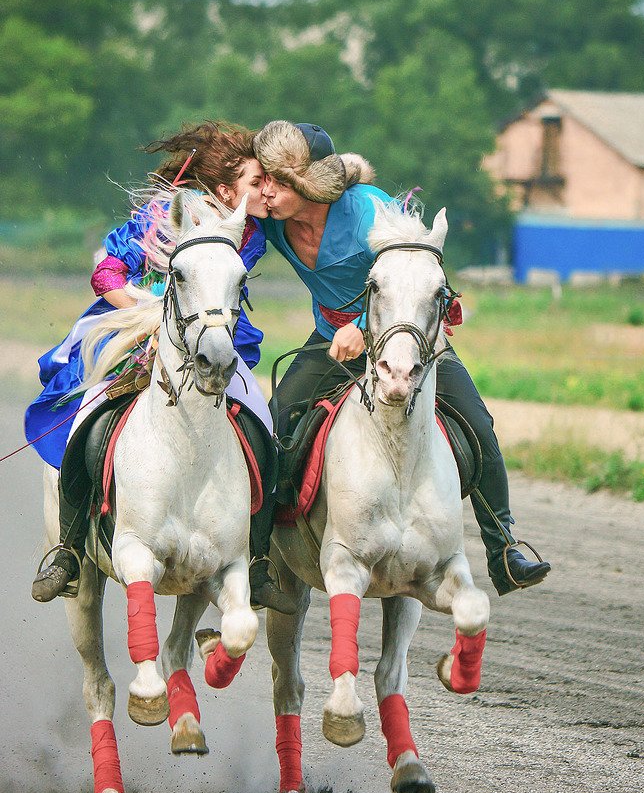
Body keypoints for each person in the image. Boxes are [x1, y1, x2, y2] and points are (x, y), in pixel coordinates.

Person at [252, 120, 551, 596]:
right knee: (273, 424)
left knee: (478, 422)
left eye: (275, 180)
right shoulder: (268, 219)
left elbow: (417, 275)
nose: (264, 190)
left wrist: (366, 328)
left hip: (402, 340)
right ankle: (259, 561)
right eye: (262, 178)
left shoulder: (370, 210)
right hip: (330, 338)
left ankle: (504, 550)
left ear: (306, 186)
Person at [28, 120, 294, 612]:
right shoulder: (160, 215)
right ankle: (67, 550)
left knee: (265, 425)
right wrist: (141, 310)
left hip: (216, 338)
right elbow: (106, 269)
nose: (268, 190)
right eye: (258, 182)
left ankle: (255, 560)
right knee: (84, 419)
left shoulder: (251, 227)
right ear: (223, 188)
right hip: (134, 333)